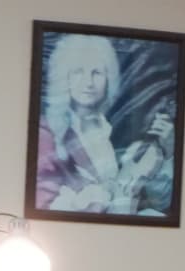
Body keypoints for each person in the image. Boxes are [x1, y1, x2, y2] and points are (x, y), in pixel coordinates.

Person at [34, 33, 175, 215]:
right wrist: (103, 198)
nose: (88, 82)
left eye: (97, 73)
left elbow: (161, 202)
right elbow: (43, 205)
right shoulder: (47, 133)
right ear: (64, 77)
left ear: (109, 79)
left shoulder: (109, 130)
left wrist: (168, 152)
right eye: (78, 72)